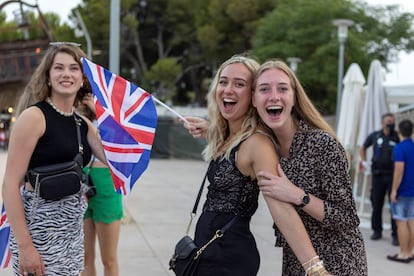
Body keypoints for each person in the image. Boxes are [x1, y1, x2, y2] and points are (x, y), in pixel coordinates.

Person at [183, 54, 331, 275]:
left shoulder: (257, 143)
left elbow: (280, 207)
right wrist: (210, 129)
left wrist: (315, 268)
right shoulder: (229, 138)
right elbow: (230, 150)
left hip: (228, 260)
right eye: (223, 82)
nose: (228, 89)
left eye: (239, 84)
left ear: (252, 96)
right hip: (207, 254)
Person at [251, 60, 367, 275]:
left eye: (283, 88)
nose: (274, 96)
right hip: (296, 261)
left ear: (294, 97)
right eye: (264, 89)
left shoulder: (322, 143)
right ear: (254, 99)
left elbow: (347, 217)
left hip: (338, 262)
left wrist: (297, 195)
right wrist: (211, 128)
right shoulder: (265, 147)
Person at [2, 43, 107, 276]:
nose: (66, 74)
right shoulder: (33, 118)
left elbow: (117, 160)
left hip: (72, 236)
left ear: (82, 78)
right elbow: (9, 185)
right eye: (59, 68)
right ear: (48, 77)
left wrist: (103, 110)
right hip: (37, 235)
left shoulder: (82, 124)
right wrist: (25, 246)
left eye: (73, 68)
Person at [79, 95, 123, 276]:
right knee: (85, 257)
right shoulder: (78, 116)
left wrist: (98, 109)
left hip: (106, 182)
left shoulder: (111, 116)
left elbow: (118, 140)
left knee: (108, 259)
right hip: (82, 182)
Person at [359, 113, 400, 245]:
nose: (391, 124)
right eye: (388, 121)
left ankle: (395, 234)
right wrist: (364, 162)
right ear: (383, 123)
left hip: (392, 175)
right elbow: (363, 147)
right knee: (376, 203)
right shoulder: (376, 135)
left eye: (392, 122)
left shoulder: (397, 136)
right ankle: (377, 230)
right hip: (377, 175)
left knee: (394, 205)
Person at [387, 119, 414, 263]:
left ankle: (403, 254)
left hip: (403, 191)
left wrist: (394, 190)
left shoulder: (399, 148)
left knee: (401, 222)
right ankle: (409, 252)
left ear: (399, 132)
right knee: (411, 221)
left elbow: (399, 169)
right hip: (413, 190)